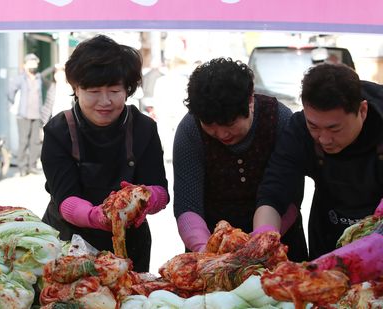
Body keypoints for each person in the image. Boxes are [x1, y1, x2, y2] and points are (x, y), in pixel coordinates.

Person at [41, 35, 169, 272]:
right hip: (68, 244)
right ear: (76, 89)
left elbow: (160, 189)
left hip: (130, 246)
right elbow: (65, 199)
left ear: (127, 90)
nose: (105, 101)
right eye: (93, 91)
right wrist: (99, 216)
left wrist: (146, 200)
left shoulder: (144, 128)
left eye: (114, 90)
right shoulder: (58, 131)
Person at [173, 58, 308, 262]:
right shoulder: (190, 130)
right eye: (209, 125)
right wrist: (205, 251)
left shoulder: (280, 119)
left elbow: (291, 196)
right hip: (210, 246)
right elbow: (187, 204)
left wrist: (262, 242)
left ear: (250, 102)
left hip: (278, 240)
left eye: (229, 123)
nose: (221, 134)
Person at [254, 63, 383, 259]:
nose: (323, 139)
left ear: (362, 111)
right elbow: (274, 192)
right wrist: (262, 241)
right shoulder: (298, 129)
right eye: (313, 126)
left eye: (334, 129)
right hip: (327, 239)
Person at [8, 53, 45, 176]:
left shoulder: (39, 77)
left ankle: (32, 166)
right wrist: (15, 104)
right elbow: (10, 91)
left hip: (37, 114)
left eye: (35, 62)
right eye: (30, 62)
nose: (33, 64)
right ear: (24, 65)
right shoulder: (20, 78)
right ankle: (22, 167)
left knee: (35, 142)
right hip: (23, 115)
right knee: (23, 141)